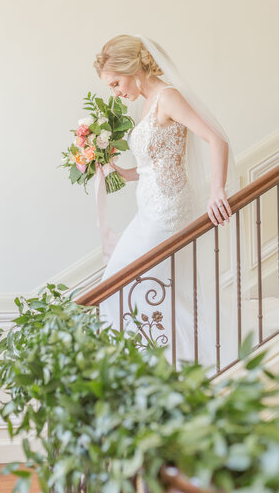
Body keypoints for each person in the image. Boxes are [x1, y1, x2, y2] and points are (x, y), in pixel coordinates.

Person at [93, 34, 241, 374]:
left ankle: (182, 371)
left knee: (133, 287)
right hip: (148, 209)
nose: (115, 92)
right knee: (138, 290)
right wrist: (119, 172)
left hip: (168, 211)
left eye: (116, 83)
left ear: (132, 68)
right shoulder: (145, 103)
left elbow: (216, 139)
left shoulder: (167, 98)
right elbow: (152, 165)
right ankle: (168, 369)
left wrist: (216, 190)